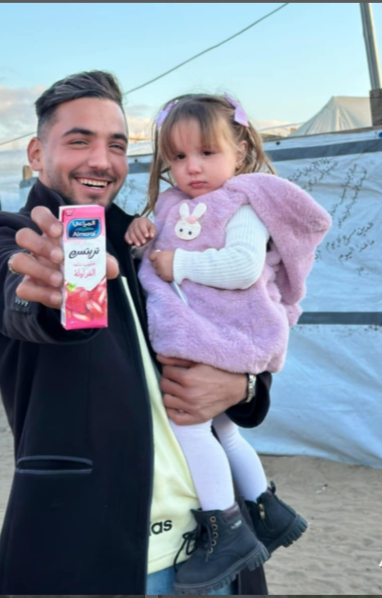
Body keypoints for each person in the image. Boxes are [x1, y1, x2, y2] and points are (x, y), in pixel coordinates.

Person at [0, 71, 273, 595]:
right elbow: (10, 291)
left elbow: (233, 321)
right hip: (97, 550)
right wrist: (53, 291)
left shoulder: (151, 236)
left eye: (118, 146)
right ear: (36, 153)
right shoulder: (3, 236)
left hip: (219, 548)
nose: (102, 161)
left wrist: (244, 386)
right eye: (79, 141)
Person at [126, 93, 329, 593]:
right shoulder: (173, 205)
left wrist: (179, 264)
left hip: (226, 333)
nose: (191, 167)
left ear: (239, 150)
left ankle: (227, 528)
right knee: (225, 431)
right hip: (208, 334)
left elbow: (242, 268)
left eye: (206, 152)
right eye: (178, 157)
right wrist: (143, 233)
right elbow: (156, 253)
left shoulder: (242, 203)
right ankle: (266, 508)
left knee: (191, 427)